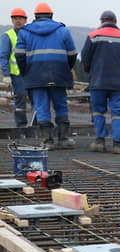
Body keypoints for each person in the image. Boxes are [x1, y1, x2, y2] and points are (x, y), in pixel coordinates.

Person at [14, 2, 77, 149]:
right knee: (61, 105)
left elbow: (19, 56)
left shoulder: (24, 32)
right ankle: (64, 139)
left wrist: (25, 72)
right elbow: (72, 54)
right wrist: (65, 69)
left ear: (35, 16)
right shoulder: (63, 31)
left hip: (35, 76)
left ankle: (47, 141)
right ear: (51, 15)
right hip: (58, 75)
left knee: (41, 107)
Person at [81, 10, 120, 154]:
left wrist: (91, 71)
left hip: (98, 82)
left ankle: (100, 142)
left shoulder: (93, 36)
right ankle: (117, 145)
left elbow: (85, 58)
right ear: (116, 21)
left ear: (101, 21)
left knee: (98, 112)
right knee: (118, 113)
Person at [1, 8, 29, 128]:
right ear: (12, 20)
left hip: (31, 73)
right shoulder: (8, 36)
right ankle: (21, 125)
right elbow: (3, 56)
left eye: (20, 18)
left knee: (37, 99)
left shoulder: (30, 34)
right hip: (17, 75)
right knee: (20, 99)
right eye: (15, 18)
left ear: (25, 20)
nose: (18, 21)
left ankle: (36, 124)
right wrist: (6, 74)